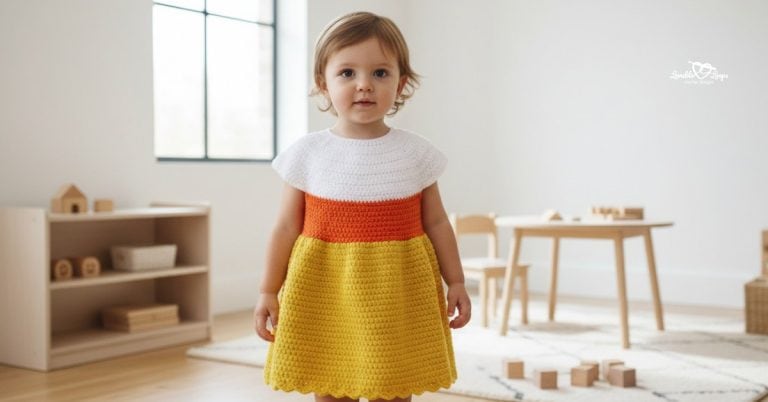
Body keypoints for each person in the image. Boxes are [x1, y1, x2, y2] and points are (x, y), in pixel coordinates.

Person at [254, 11, 471, 402]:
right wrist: (268, 290)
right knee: (331, 384)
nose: (364, 86)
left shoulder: (415, 153)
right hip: (326, 289)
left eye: (380, 74)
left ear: (401, 83)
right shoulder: (307, 154)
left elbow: (437, 222)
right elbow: (286, 227)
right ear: (323, 83)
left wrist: (456, 281)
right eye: (347, 73)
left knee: (394, 384)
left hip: (396, 289)